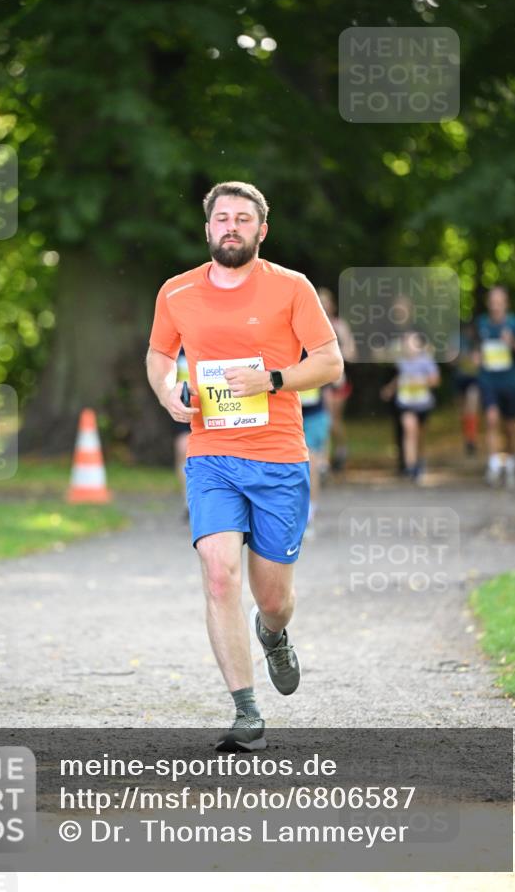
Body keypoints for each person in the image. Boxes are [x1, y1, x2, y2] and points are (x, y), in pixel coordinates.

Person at [146, 181, 343, 751]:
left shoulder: (291, 288)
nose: (231, 226)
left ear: (262, 230)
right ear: (207, 228)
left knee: (274, 597)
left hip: (279, 456)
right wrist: (167, 394)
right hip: (212, 453)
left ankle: (273, 635)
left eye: (243, 219)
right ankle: (246, 710)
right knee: (217, 572)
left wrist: (274, 379)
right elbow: (161, 356)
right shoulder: (176, 292)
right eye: (222, 218)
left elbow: (329, 361)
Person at [475, 286, 515, 489]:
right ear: (488, 303)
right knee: (491, 419)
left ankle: (511, 467)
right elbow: (478, 351)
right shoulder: (481, 323)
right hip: (488, 380)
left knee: (510, 427)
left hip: (511, 383)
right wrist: (476, 357)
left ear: (506, 303)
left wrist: (513, 343)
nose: (495, 305)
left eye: (499, 301)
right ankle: (493, 467)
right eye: (492, 301)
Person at [380, 331, 440, 483]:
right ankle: (411, 466)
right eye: (405, 343)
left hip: (422, 403)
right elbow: (399, 377)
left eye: (411, 342)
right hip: (406, 403)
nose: (408, 345)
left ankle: (420, 461)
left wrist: (420, 380)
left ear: (419, 345)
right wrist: (390, 389)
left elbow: (435, 381)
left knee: (419, 435)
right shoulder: (401, 362)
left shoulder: (426, 361)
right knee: (409, 429)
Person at [317, 288, 356, 472]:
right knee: (323, 418)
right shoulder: (311, 324)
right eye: (320, 301)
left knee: (334, 421)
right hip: (320, 379)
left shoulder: (340, 326)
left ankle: (341, 449)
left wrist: (335, 353)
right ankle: (323, 461)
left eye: (326, 301)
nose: (323, 305)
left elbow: (351, 352)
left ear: (332, 305)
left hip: (338, 379)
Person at [299, 382, 331, 539]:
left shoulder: (315, 355)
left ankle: (309, 515)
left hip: (313, 416)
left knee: (311, 464)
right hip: (284, 416)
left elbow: (335, 382)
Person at [454, 322, 480, 455]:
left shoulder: (478, 341)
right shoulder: (457, 340)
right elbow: (450, 359)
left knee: (472, 408)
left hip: (473, 380)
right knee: (464, 412)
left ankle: (472, 439)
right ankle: (467, 437)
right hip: (460, 379)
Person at [172, 348, 191, 518]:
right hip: (185, 405)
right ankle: (188, 501)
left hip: (214, 406)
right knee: (183, 447)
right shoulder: (178, 348)